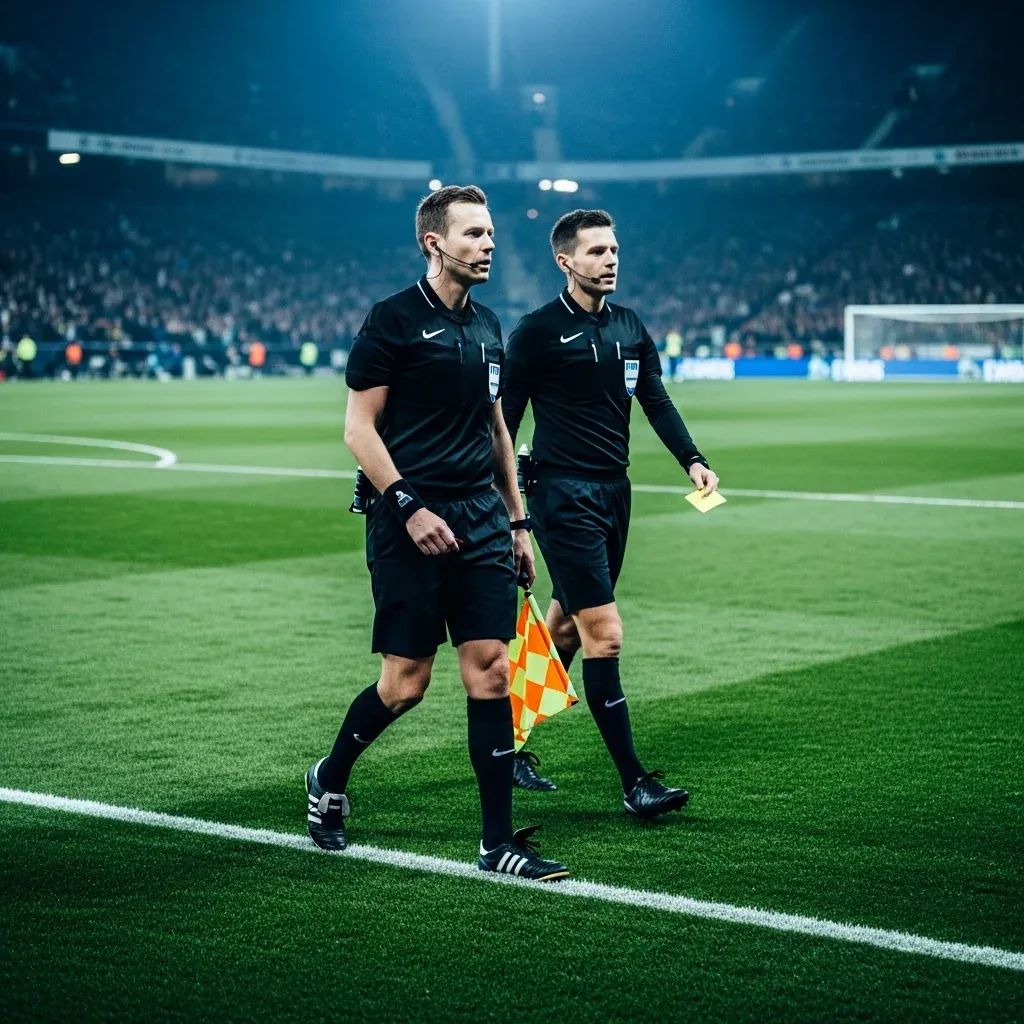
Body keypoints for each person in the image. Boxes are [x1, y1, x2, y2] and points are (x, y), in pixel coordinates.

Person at [306, 185, 569, 882]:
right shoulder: (391, 320)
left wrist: (517, 522)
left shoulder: (487, 327)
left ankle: (496, 844)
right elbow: (357, 429)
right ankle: (329, 777)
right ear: (435, 242)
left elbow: (498, 431)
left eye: (489, 235)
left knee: (490, 671)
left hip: (481, 519)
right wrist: (408, 504)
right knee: (406, 684)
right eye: (474, 234)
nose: (488, 245)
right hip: (407, 523)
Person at [502, 209, 719, 816]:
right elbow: (504, 420)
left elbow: (656, 399)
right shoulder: (538, 332)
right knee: (607, 636)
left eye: (615, 249)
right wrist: (508, 504)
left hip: (612, 493)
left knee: (566, 626)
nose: (611, 259)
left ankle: (508, 739)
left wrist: (692, 460)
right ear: (565, 261)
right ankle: (634, 784)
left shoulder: (629, 326)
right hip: (560, 495)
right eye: (597, 251)